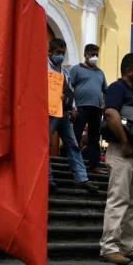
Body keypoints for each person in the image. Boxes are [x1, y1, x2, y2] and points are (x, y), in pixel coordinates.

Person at [99, 53, 133, 265]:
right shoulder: (117, 88)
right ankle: (109, 247)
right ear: (129, 70)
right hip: (122, 152)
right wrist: (124, 143)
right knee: (118, 200)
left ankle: (129, 247)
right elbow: (111, 115)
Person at [47, 39, 99, 195]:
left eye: (63, 53)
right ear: (50, 52)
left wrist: (74, 107)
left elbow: (71, 91)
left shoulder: (65, 72)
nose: (60, 56)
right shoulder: (43, 68)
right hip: (48, 113)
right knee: (44, 145)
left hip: (64, 113)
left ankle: (82, 178)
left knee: (73, 145)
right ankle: (48, 179)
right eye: (57, 53)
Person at [69, 43, 107, 173]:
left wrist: (105, 108)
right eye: (92, 54)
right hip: (81, 108)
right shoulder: (76, 70)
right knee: (76, 135)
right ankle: (71, 163)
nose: (95, 57)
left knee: (94, 138)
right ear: (85, 55)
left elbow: (105, 91)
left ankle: (94, 165)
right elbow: (69, 88)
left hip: (96, 109)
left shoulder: (100, 73)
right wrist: (72, 107)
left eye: (96, 54)